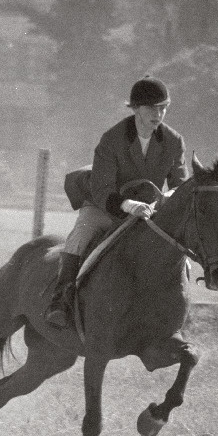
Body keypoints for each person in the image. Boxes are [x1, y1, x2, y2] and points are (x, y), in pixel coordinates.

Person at [45, 76, 189, 328]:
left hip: (147, 210)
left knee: (176, 248)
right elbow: (101, 190)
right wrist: (128, 205)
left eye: (163, 107)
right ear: (135, 109)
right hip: (105, 206)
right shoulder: (112, 139)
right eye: (152, 108)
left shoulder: (173, 141)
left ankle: (174, 305)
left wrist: (169, 198)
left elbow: (179, 183)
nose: (159, 113)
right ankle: (61, 298)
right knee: (82, 231)